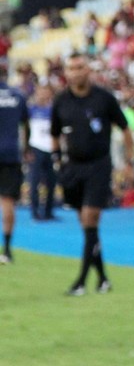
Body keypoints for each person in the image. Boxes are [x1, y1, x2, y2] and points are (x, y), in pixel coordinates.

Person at [51, 52, 134, 293]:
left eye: (80, 67)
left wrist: (129, 162)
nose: (76, 72)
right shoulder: (61, 101)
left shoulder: (104, 98)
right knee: (87, 226)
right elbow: (55, 134)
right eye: (71, 68)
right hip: (73, 167)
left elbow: (125, 129)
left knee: (90, 218)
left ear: (88, 70)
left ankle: (80, 281)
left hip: (99, 166)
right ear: (66, 73)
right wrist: (58, 162)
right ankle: (103, 278)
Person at [0, 66, 30, 263]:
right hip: (11, 153)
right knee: (7, 201)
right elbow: (26, 125)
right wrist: (26, 149)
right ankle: (8, 250)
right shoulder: (18, 96)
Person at [28, 81, 58, 221]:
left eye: (46, 90)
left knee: (51, 181)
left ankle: (48, 211)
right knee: (35, 181)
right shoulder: (31, 109)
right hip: (36, 147)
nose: (43, 93)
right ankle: (35, 211)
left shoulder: (54, 110)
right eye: (41, 90)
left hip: (49, 148)